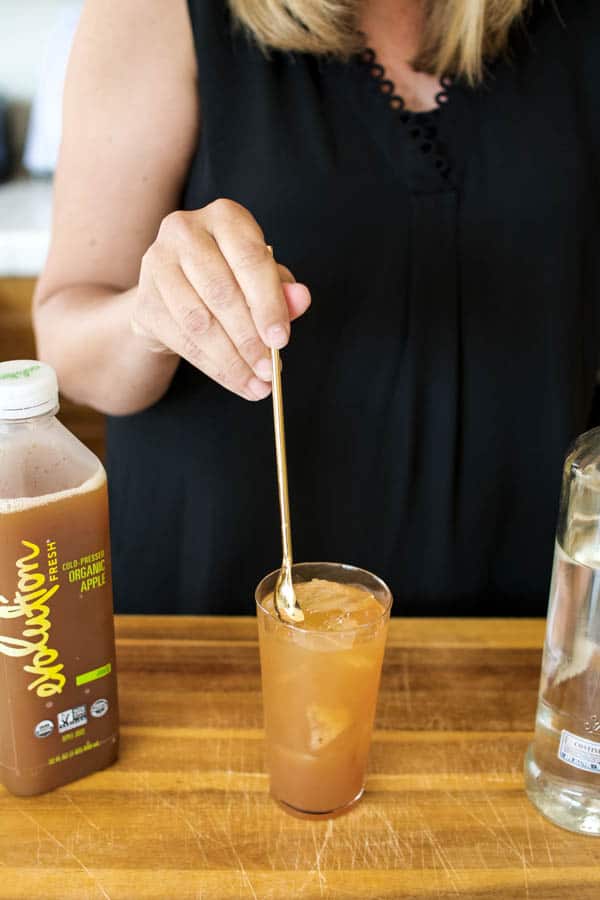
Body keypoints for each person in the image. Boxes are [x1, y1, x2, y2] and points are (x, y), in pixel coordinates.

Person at [33, 0, 599, 616]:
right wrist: (153, 316)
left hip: (532, 630)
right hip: (214, 625)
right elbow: (68, 338)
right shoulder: (152, 13)